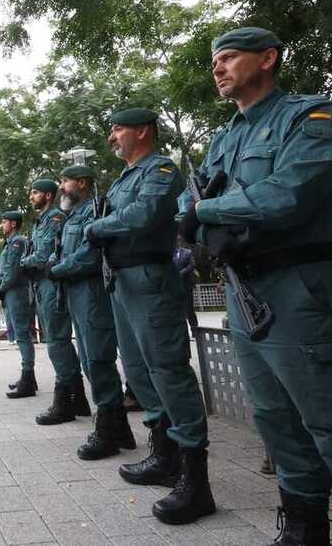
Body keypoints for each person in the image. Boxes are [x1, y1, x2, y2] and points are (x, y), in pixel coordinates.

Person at [179, 26, 332, 543]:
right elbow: (186, 208)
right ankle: (304, 530)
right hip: (245, 290)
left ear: (268, 59)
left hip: (301, 286)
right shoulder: (226, 137)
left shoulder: (310, 116)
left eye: (229, 57)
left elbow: (288, 194)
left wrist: (207, 211)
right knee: (275, 419)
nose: (217, 67)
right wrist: (202, 212)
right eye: (214, 60)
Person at [83, 107, 213, 525]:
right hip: (122, 280)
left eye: (118, 128)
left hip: (149, 277)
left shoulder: (159, 169)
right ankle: (163, 455)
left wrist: (98, 228)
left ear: (142, 131)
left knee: (168, 370)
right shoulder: (124, 177)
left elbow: (143, 215)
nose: (112, 136)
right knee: (138, 372)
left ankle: (195, 477)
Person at [49, 165, 136, 459]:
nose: (62, 186)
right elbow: (62, 248)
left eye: (66, 180)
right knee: (89, 360)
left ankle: (109, 430)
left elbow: (90, 253)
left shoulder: (94, 211)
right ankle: (119, 428)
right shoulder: (73, 214)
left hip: (91, 290)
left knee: (98, 359)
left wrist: (58, 268)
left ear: (82, 183)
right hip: (74, 291)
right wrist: (55, 261)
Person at [20, 178, 91, 426]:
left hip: (51, 283)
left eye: (35, 192)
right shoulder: (43, 221)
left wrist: (23, 262)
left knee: (57, 341)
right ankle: (77, 399)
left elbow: (45, 255)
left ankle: (65, 402)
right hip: (43, 284)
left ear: (48, 196)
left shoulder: (54, 219)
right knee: (57, 340)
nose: (31, 196)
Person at [0, 212, 36, 398]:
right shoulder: (10, 241)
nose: (2, 224)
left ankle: (28, 379)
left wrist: (0, 288)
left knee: (22, 335)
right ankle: (28, 378)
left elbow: (12, 271)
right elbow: (3, 269)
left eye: (4, 221)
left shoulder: (17, 241)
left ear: (13, 224)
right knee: (20, 334)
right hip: (11, 291)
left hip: (17, 291)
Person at [173, 245, 199, 331]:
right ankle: (181, 332)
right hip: (174, 286)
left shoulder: (187, 252)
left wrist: (180, 274)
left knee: (189, 310)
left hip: (186, 286)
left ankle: (195, 331)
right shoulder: (168, 254)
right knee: (176, 310)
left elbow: (191, 265)